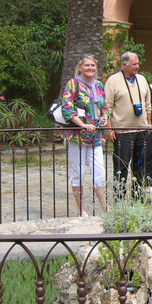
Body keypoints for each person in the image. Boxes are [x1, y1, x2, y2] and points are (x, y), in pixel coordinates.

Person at [61, 54, 110, 216]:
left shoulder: (99, 86)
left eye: (93, 65)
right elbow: (67, 108)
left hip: (95, 137)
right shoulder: (73, 84)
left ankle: (105, 207)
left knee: (100, 172)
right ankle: (81, 209)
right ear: (80, 67)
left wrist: (104, 119)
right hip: (77, 137)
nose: (90, 68)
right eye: (87, 65)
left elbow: (104, 107)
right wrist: (82, 125)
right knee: (78, 173)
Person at [105, 51, 152, 199]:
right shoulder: (113, 81)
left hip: (141, 130)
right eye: (134, 64)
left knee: (139, 166)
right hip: (122, 132)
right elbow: (107, 107)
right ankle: (119, 198)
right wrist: (109, 128)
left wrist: (149, 124)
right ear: (124, 64)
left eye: (138, 63)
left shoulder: (142, 79)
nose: (137, 66)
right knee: (121, 166)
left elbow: (147, 104)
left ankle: (138, 197)